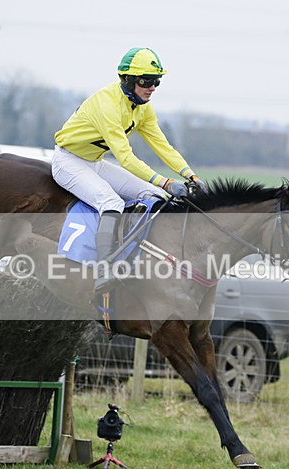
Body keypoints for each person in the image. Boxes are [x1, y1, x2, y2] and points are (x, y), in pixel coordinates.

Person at [52, 47, 205, 294]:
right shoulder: (108, 104)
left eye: (156, 81)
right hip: (68, 161)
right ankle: (103, 270)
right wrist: (165, 181)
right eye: (146, 81)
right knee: (111, 202)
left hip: (95, 162)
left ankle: (135, 257)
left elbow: (162, 146)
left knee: (155, 196)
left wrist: (190, 175)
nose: (152, 87)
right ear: (129, 80)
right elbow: (125, 158)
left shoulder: (143, 108)